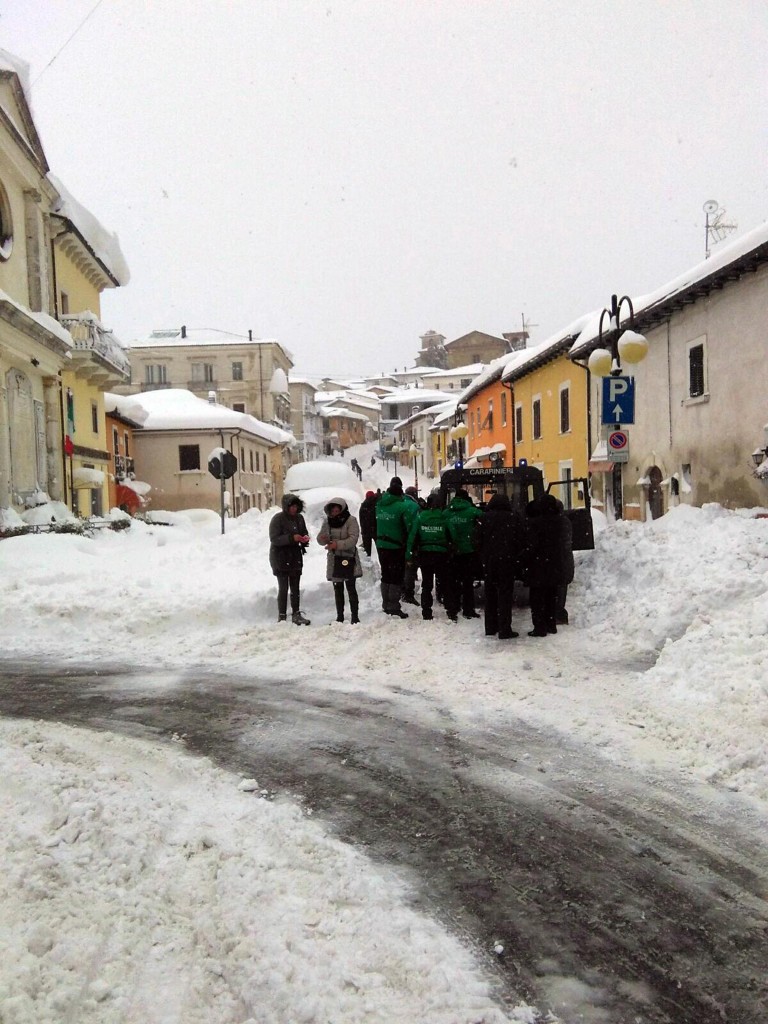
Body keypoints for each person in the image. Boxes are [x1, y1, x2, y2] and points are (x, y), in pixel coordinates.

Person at [479, 493, 525, 639]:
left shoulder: (484, 518)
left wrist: (483, 555)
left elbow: (476, 538)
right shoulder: (514, 518)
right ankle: (505, 628)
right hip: (507, 561)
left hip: (490, 561)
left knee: (490, 593)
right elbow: (521, 538)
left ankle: (490, 627)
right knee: (505, 594)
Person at [524, 494, 569, 637]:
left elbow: (532, 545)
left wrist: (522, 558)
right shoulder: (561, 522)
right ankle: (551, 624)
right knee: (551, 596)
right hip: (555, 564)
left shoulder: (535, 523)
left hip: (538, 566)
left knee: (537, 598)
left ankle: (539, 627)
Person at [374, 477, 419, 618]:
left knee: (386, 575)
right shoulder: (402, 507)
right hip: (395, 546)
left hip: (381, 545)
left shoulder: (380, 504)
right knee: (396, 577)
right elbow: (409, 529)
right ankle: (393, 606)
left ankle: (385, 604)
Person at [316, 498, 362, 624]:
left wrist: (337, 544)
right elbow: (320, 539)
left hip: (348, 558)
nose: (335, 513)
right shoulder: (328, 522)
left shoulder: (351, 520)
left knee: (351, 588)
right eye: (333, 511)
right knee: (338, 589)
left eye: (337, 510)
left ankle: (355, 615)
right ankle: (340, 616)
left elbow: (353, 539)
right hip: (334, 559)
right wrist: (322, 539)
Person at [406, 493, 450, 620]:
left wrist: (409, 553)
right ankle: (450, 610)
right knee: (445, 582)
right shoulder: (443, 516)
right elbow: (452, 533)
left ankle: (426, 611)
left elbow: (412, 536)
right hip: (441, 553)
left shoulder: (421, 517)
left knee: (427, 583)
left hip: (425, 554)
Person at [269, 493, 311, 625]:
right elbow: (274, 538)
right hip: (280, 557)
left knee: (295, 587)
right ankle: (282, 615)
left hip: (295, 557)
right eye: (291, 507)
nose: (294, 509)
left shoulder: (299, 518)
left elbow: (303, 531)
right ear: (286, 507)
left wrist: (304, 539)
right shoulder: (278, 519)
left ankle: (296, 613)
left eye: (295, 507)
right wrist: (291, 538)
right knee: (283, 587)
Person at [444, 489, 484, 621]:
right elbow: (485, 517)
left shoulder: (446, 513)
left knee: (452, 582)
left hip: (452, 552)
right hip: (468, 551)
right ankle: (468, 609)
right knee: (467, 582)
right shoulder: (472, 511)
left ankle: (453, 608)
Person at [402, 486, 427, 604]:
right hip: (412, 539)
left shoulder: (400, 503)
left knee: (403, 567)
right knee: (410, 568)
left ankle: (402, 590)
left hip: (398, 540)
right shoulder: (415, 506)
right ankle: (408, 593)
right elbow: (418, 523)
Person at [554, 498, 574, 624]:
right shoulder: (565, 521)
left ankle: (557, 614)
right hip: (565, 560)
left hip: (560, 561)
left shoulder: (558, 522)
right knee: (561, 589)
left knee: (558, 588)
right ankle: (559, 614)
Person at [358, 490, 379, 557]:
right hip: (375, 529)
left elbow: (362, 520)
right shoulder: (377, 504)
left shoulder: (364, 506)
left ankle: (368, 555)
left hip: (367, 529)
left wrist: (363, 531)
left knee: (367, 548)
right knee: (379, 547)